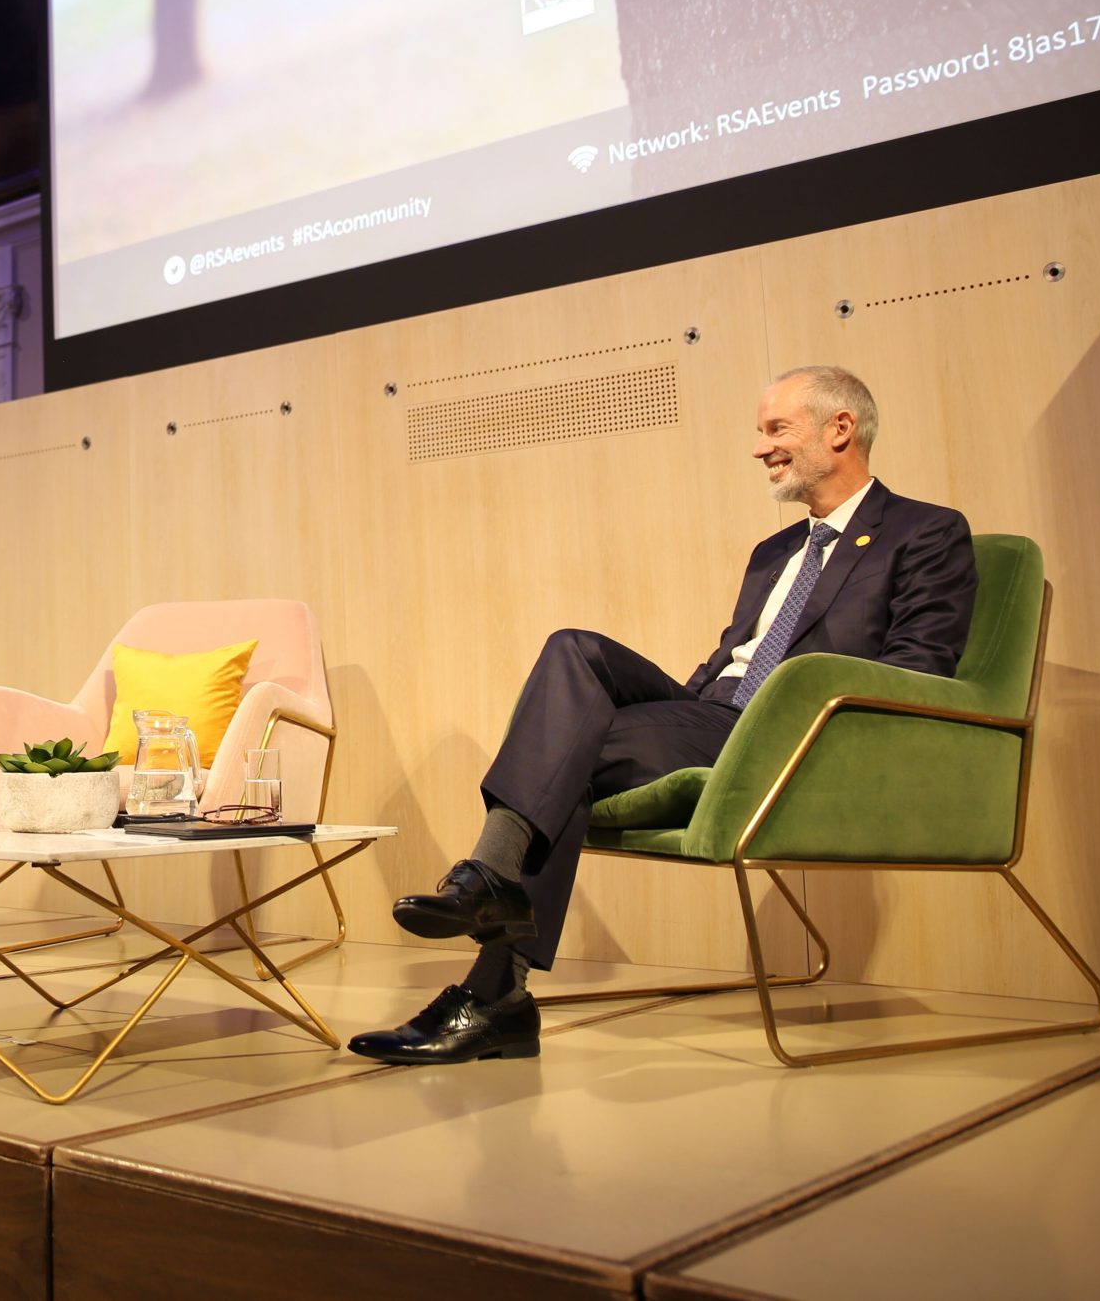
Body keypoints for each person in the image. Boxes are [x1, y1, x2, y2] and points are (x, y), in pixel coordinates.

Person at [352, 367, 977, 1065]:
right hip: (714, 716)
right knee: (573, 652)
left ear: (840, 429)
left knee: (564, 755)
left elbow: (919, 669)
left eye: (777, 428)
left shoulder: (925, 531)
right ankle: (494, 938)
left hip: (789, 734)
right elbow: (730, 656)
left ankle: (493, 968)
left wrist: (789, 700)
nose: (760, 447)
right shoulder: (774, 553)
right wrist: (674, 712)